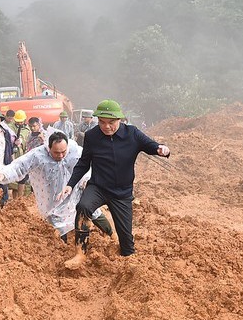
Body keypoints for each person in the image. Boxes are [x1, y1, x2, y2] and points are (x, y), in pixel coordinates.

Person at [57, 99, 170, 268]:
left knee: (127, 243)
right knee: (83, 206)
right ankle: (80, 253)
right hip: (98, 187)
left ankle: (128, 261)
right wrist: (70, 184)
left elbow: (151, 145)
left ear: (120, 120)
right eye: (102, 122)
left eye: (111, 122)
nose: (106, 126)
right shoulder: (92, 136)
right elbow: (83, 163)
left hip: (122, 192)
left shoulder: (132, 133)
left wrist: (161, 149)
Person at [0, 131, 113, 240]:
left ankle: (112, 235)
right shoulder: (38, 155)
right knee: (57, 223)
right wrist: (2, 175)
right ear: (49, 148)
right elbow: (19, 165)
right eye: (56, 152)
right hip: (53, 196)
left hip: (76, 189)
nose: (60, 155)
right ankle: (62, 248)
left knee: (92, 211)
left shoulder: (76, 151)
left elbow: (90, 165)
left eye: (63, 152)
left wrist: (87, 180)